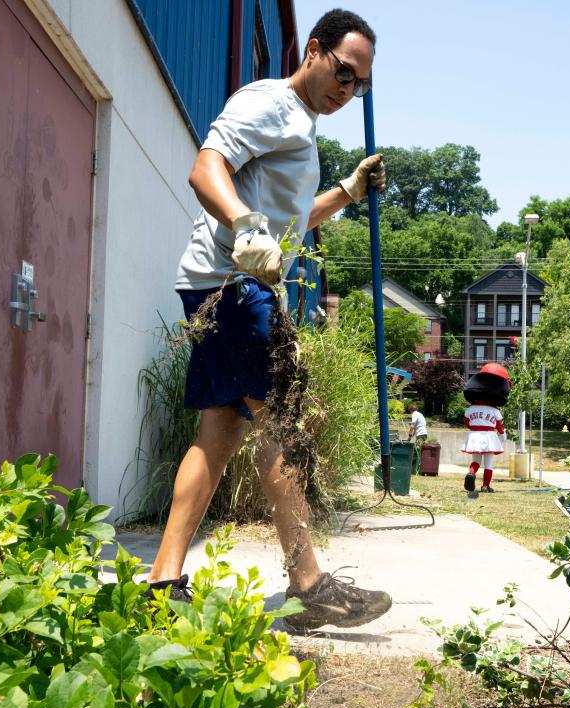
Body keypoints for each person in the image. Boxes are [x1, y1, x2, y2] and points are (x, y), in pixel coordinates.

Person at [145, 9, 392, 632]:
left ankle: (162, 583)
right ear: (313, 51)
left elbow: (290, 219)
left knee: (219, 433)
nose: (347, 89)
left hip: (221, 285)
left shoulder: (303, 126)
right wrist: (244, 225)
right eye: (342, 72)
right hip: (234, 286)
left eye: (359, 84)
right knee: (286, 429)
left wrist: (348, 192)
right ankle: (311, 584)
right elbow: (206, 169)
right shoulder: (269, 103)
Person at [460, 363, 511, 496]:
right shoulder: (494, 410)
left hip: (474, 436)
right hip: (489, 436)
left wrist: (474, 428)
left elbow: (466, 422)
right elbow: (499, 425)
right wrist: (502, 434)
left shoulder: (470, 409)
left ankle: (471, 473)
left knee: (476, 461)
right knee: (488, 463)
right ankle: (485, 486)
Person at [407, 403, 428, 472]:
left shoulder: (414, 415)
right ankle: (417, 469)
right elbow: (416, 427)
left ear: (410, 410)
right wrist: (411, 436)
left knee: (417, 452)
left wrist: (409, 434)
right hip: (423, 434)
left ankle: (416, 470)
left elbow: (412, 426)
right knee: (418, 451)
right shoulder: (419, 414)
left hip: (421, 435)